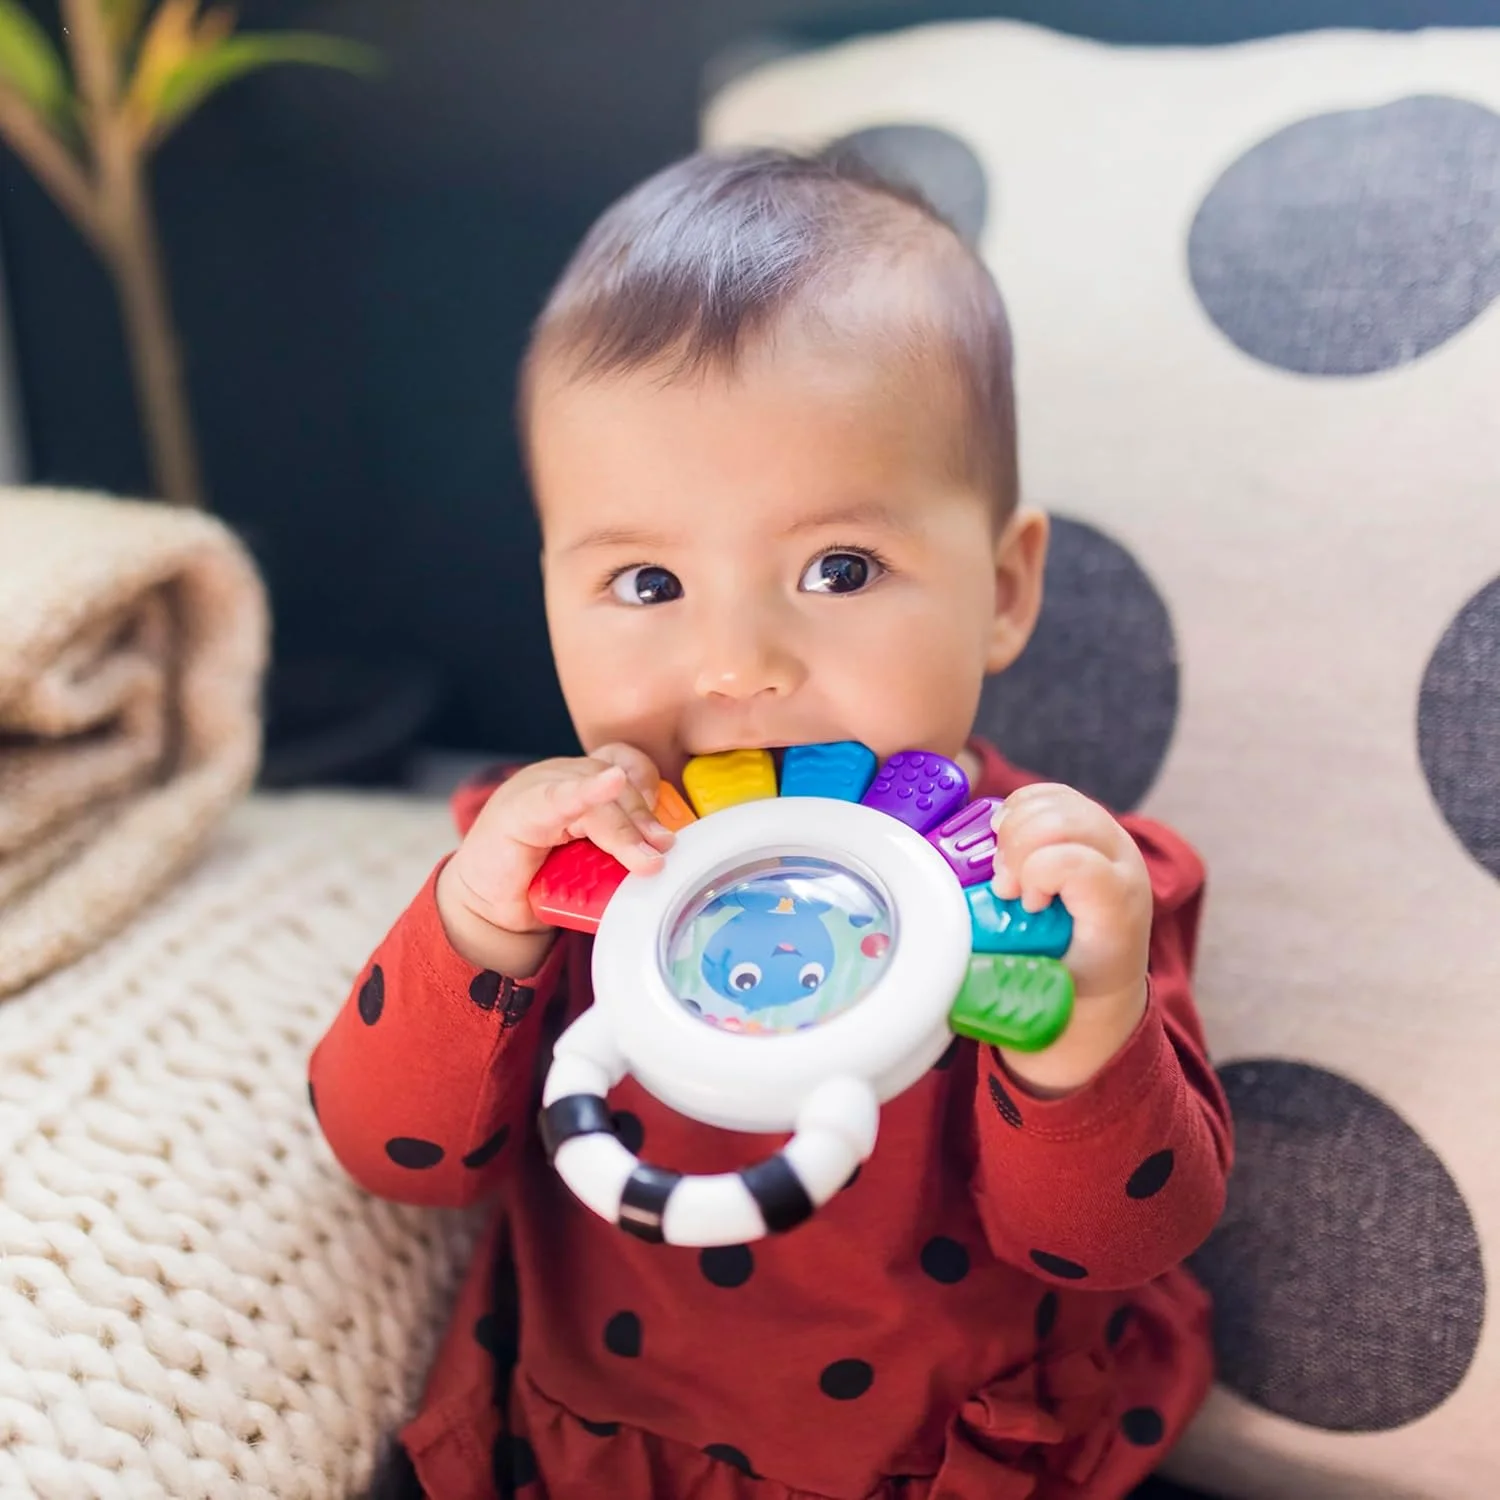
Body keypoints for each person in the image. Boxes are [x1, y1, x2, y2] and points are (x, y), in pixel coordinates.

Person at [310, 147, 1233, 1500]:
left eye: (838, 568)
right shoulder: (559, 868)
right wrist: (471, 926)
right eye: (647, 579)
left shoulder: (1063, 894)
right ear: (552, 597)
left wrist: (1084, 1035)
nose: (738, 661)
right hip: (583, 1455)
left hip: (944, 1462)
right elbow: (395, 1159)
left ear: (1003, 586)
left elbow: (1117, 1244)